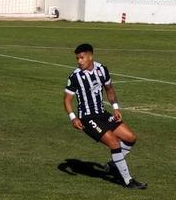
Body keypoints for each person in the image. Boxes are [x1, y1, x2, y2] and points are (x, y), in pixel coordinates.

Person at [63, 43, 147, 190]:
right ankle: (128, 181)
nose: (79, 61)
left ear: (90, 56)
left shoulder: (102, 69)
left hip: (102, 114)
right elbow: (67, 100)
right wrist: (73, 117)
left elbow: (109, 89)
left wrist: (115, 108)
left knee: (130, 138)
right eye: (77, 58)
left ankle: (113, 164)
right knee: (114, 143)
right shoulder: (75, 76)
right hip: (87, 119)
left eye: (81, 58)